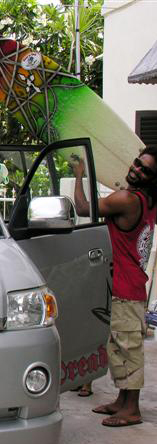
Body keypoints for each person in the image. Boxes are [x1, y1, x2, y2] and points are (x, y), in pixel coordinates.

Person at [73, 146, 157, 427]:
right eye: (137, 163)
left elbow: (84, 208)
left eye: (144, 170)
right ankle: (122, 401)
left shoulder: (127, 199)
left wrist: (79, 175)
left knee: (128, 347)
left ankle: (131, 408)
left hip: (125, 286)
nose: (136, 169)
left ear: (150, 178)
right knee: (120, 344)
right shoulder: (148, 200)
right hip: (128, 283)